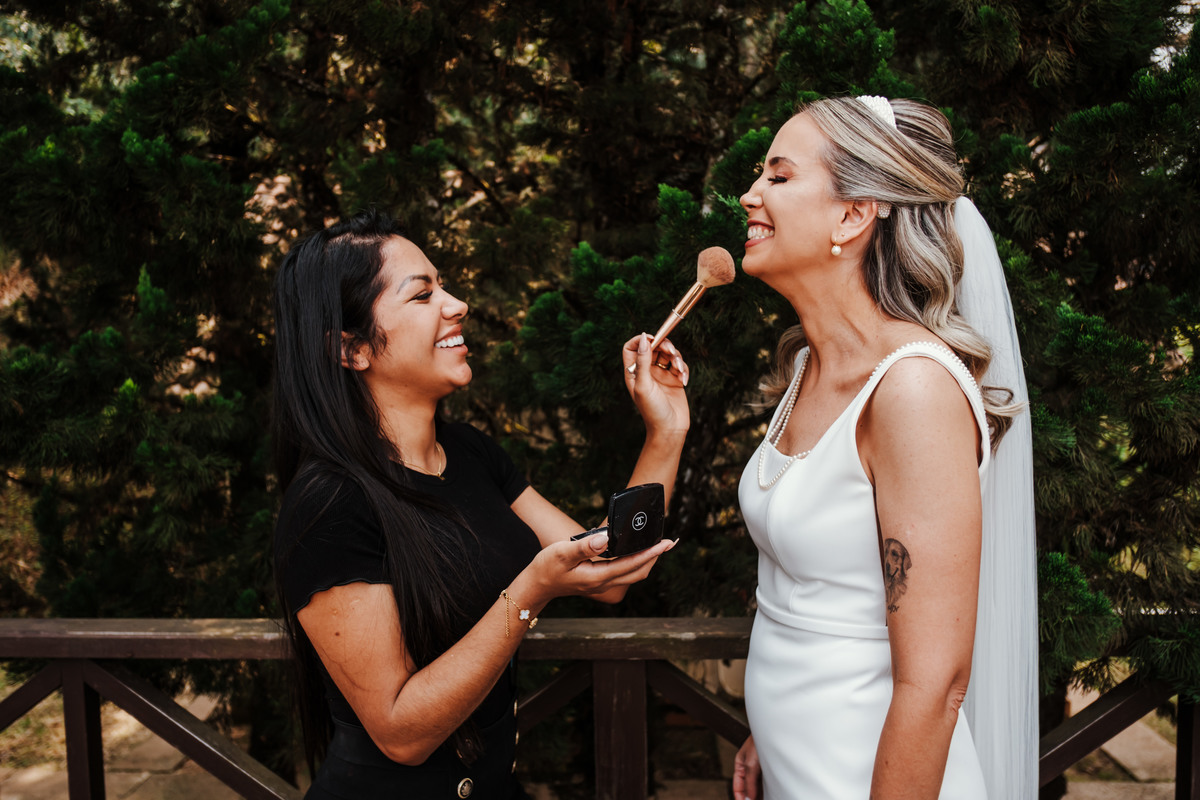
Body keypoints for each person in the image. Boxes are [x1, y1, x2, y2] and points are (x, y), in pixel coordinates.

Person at [270, 210, 690, 799]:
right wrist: (529, 591)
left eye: (443, 284)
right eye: (422, 296)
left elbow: (605, 574)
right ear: (352, 349)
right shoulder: (329, 505)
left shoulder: (469, 452)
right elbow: (400, 734)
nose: (456, 303)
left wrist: (664, 432)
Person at [731, 96, 1037, 799]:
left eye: (779, 176)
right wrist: (768, 728)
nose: (750, 194)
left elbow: (936, 685)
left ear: (852, 215)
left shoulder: (913, 391)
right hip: (801, 765)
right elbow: (819, 596)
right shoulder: (809, 365)